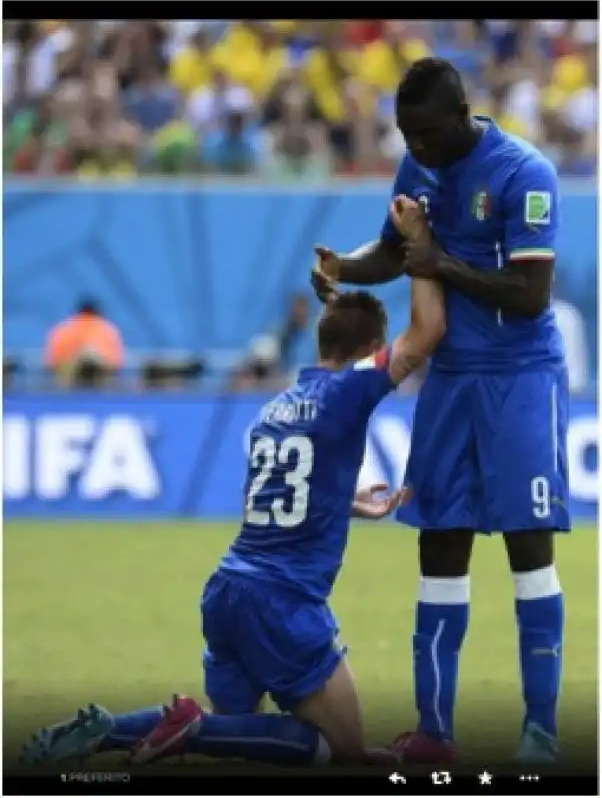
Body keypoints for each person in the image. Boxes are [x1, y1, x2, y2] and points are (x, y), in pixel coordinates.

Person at [22, 282, 446, 768]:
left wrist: (345, 502)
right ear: (372, 350)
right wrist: (423, 251)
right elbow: (427, 331)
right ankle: (193, 729)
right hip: (282, 604)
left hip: (228, 590)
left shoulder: (275, 406)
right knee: (342, 750)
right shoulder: (351, 387)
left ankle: (109, 728)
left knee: (236, 735)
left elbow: (271, 496)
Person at [311, 58, 569, 765]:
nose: (414, 148)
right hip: (450, 377)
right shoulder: (417, 168)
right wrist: (345, 268)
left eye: (424, 135)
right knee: (439, 542)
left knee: (527, 548)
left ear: (461, 118)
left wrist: (435, 260)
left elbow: (528, 295)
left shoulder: (525, 173)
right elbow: (396, 253)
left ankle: (541, 731)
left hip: (520, 376)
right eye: (405, 136)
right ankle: (434, 732)